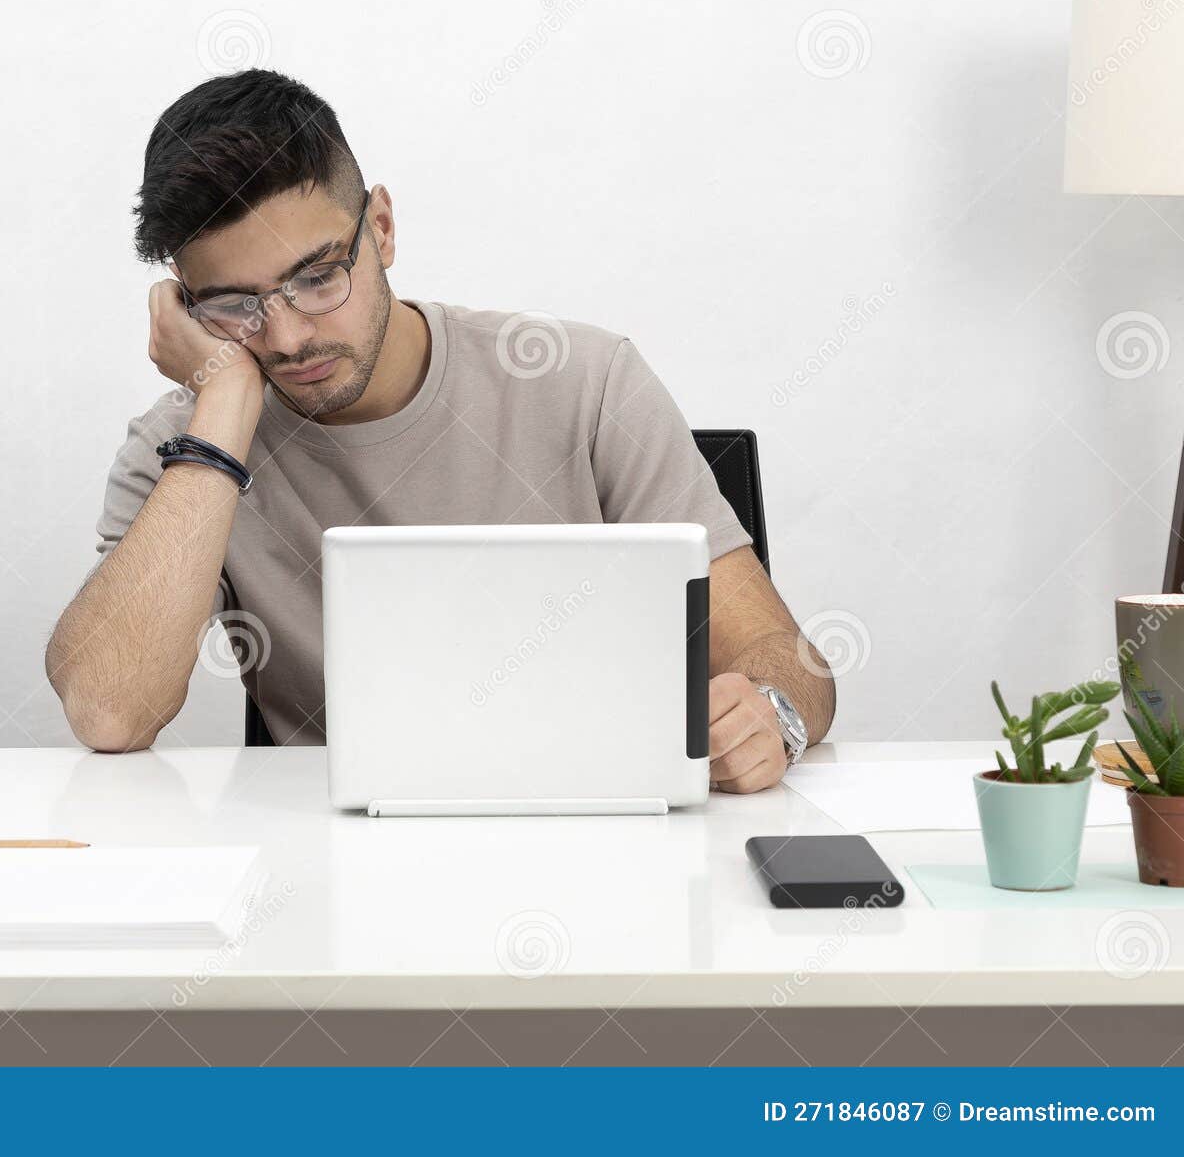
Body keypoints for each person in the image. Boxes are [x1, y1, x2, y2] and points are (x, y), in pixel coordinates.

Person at [47, 69, 834, 792]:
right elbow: (109, 713)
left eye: (317, 278)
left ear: (382, 229)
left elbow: (789, 660)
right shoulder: (185, 447)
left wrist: (771, 715)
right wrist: (221, 412)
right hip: (333, 858)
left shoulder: (587, 383)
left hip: (602, 831)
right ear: (185, 305)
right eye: (234, 305)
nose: (287, 338)